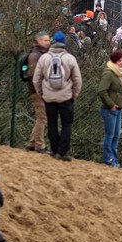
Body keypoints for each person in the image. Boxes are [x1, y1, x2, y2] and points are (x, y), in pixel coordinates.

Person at [34, 31, 82, 161]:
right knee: (67, 124)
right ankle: (62, 152)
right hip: (66, 96)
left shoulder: (44, 58)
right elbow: (77, 79)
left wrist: (42, 93)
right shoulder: (70, 58)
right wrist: (74, 95)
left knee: (52, 123)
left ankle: (54, 149)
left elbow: (36, 79)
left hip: (48, 96)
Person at [97, 50, 122, 167]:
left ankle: (114, 159)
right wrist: (111, 104)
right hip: (110, 110)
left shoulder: (121, 73)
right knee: (110, 135)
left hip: (118, 109)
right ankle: (109, 159)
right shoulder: (109, 73)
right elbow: (102, 90)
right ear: (114, 61)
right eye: (119, 61)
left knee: (116, 136)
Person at [24, 31, 50, 153]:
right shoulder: (35, 55)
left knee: (41, 117)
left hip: (40, 89)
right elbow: (32, 75)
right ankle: (39, 145)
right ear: (38, 41)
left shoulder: (41, 54)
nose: (48, 42)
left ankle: (32, 143)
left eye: (48, 40)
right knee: (43, 118)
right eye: (45, 40)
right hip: (38, 91)